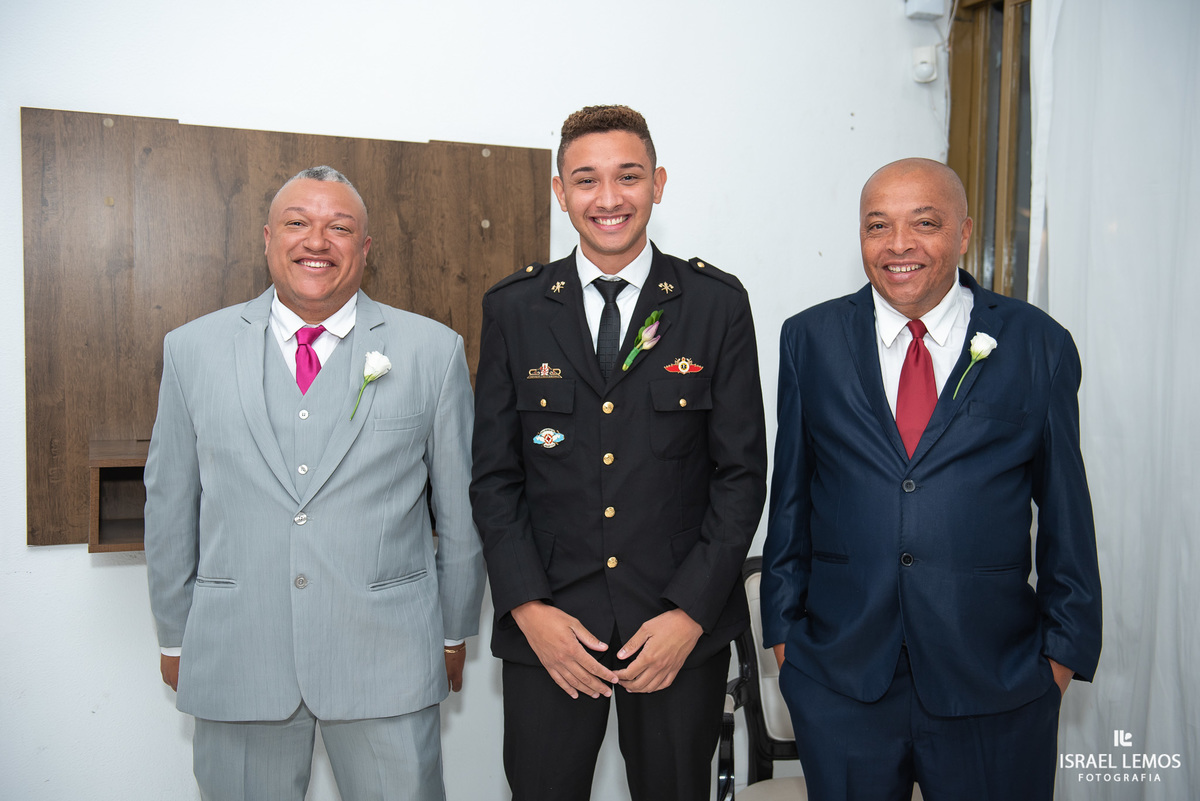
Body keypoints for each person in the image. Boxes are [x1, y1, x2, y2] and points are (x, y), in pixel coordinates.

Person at [760, 157, 1102, 800]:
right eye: (877, 226)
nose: (898, 246)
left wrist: (1058, 658)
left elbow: (1067, 514)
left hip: (996, 682)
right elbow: (792, 500)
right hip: (842, 680)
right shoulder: (809, 339)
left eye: (924, 223)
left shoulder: (1036, 344)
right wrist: (785, 642)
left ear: (964, 232)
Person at [144, 166, 485, 801]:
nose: (317, 241)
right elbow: (169, 502)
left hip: (390, 655)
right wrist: (173, 631)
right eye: (299, 223)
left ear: (365, 248)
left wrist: (452, 630)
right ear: (269, 238)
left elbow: (462, 508)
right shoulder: (191, 350)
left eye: (340, 226)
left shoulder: (432, 351)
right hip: (236, 650)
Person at [470, 105, 767, 800]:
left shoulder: (713, 304)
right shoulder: (514, 308)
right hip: (551, 630)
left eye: (627, 177)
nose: (608, 199)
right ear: (559, 191)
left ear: (657, 184)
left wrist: (690, 613)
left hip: (672, 630)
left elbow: (740, 475)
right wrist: (528, 609)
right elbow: (493, 478)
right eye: (586, 180)